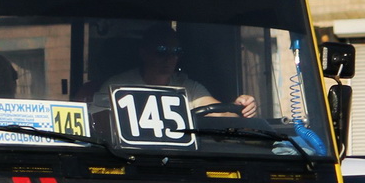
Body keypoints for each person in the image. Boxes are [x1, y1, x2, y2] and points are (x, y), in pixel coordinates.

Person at [94, 23, 257, 118]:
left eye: (176, 52)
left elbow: (221, 114)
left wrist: (238, 107)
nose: (170, 58)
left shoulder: (189, 88)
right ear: (144, 53)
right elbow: (97, 121)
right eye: (162, 50)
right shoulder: (117, 87)